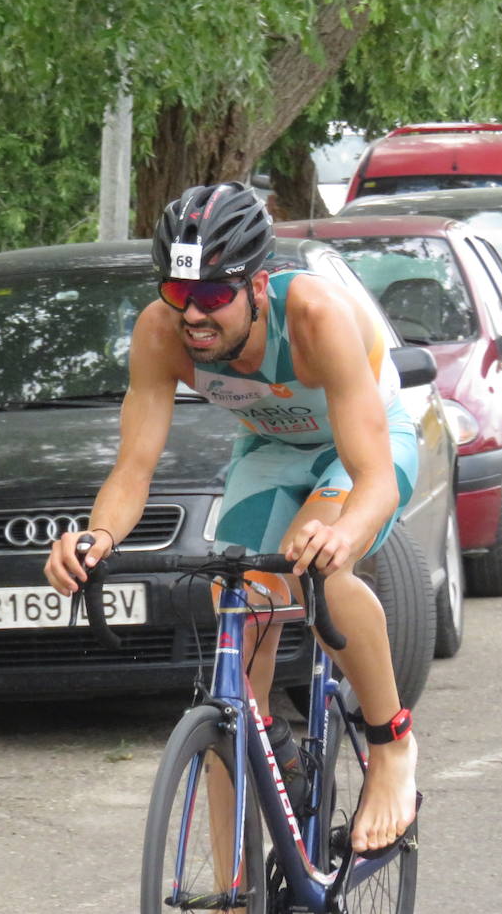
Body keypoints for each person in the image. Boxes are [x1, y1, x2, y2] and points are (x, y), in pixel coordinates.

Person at [42, 181, 420, 861]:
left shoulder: (313, 316)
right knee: (235, 662)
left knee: (316, 575)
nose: (194, 316)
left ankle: (392, 742)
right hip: (271, 449)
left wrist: (339, 533)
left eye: (214, 296)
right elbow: (133, 467)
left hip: (366, 447)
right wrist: (97, 537)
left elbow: (374, 479)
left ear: (259, 285)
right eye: (178, 294)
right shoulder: (162, 332)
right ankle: (236, 873)